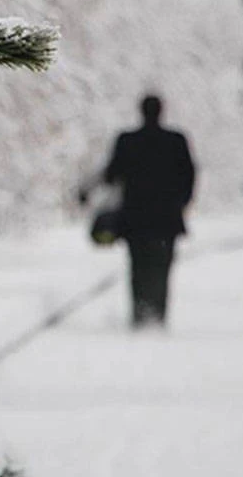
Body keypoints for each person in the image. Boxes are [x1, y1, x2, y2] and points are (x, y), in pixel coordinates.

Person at [81, 95, 196, 329]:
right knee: (162, 267)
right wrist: (180, 203)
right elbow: (189, 176)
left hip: (136, 218)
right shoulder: (175, 140)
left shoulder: (127, 141)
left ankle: (140, 313)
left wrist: (87, 191)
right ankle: (158, 315)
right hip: (166, 219)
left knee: (138, 266)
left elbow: (111, 173)